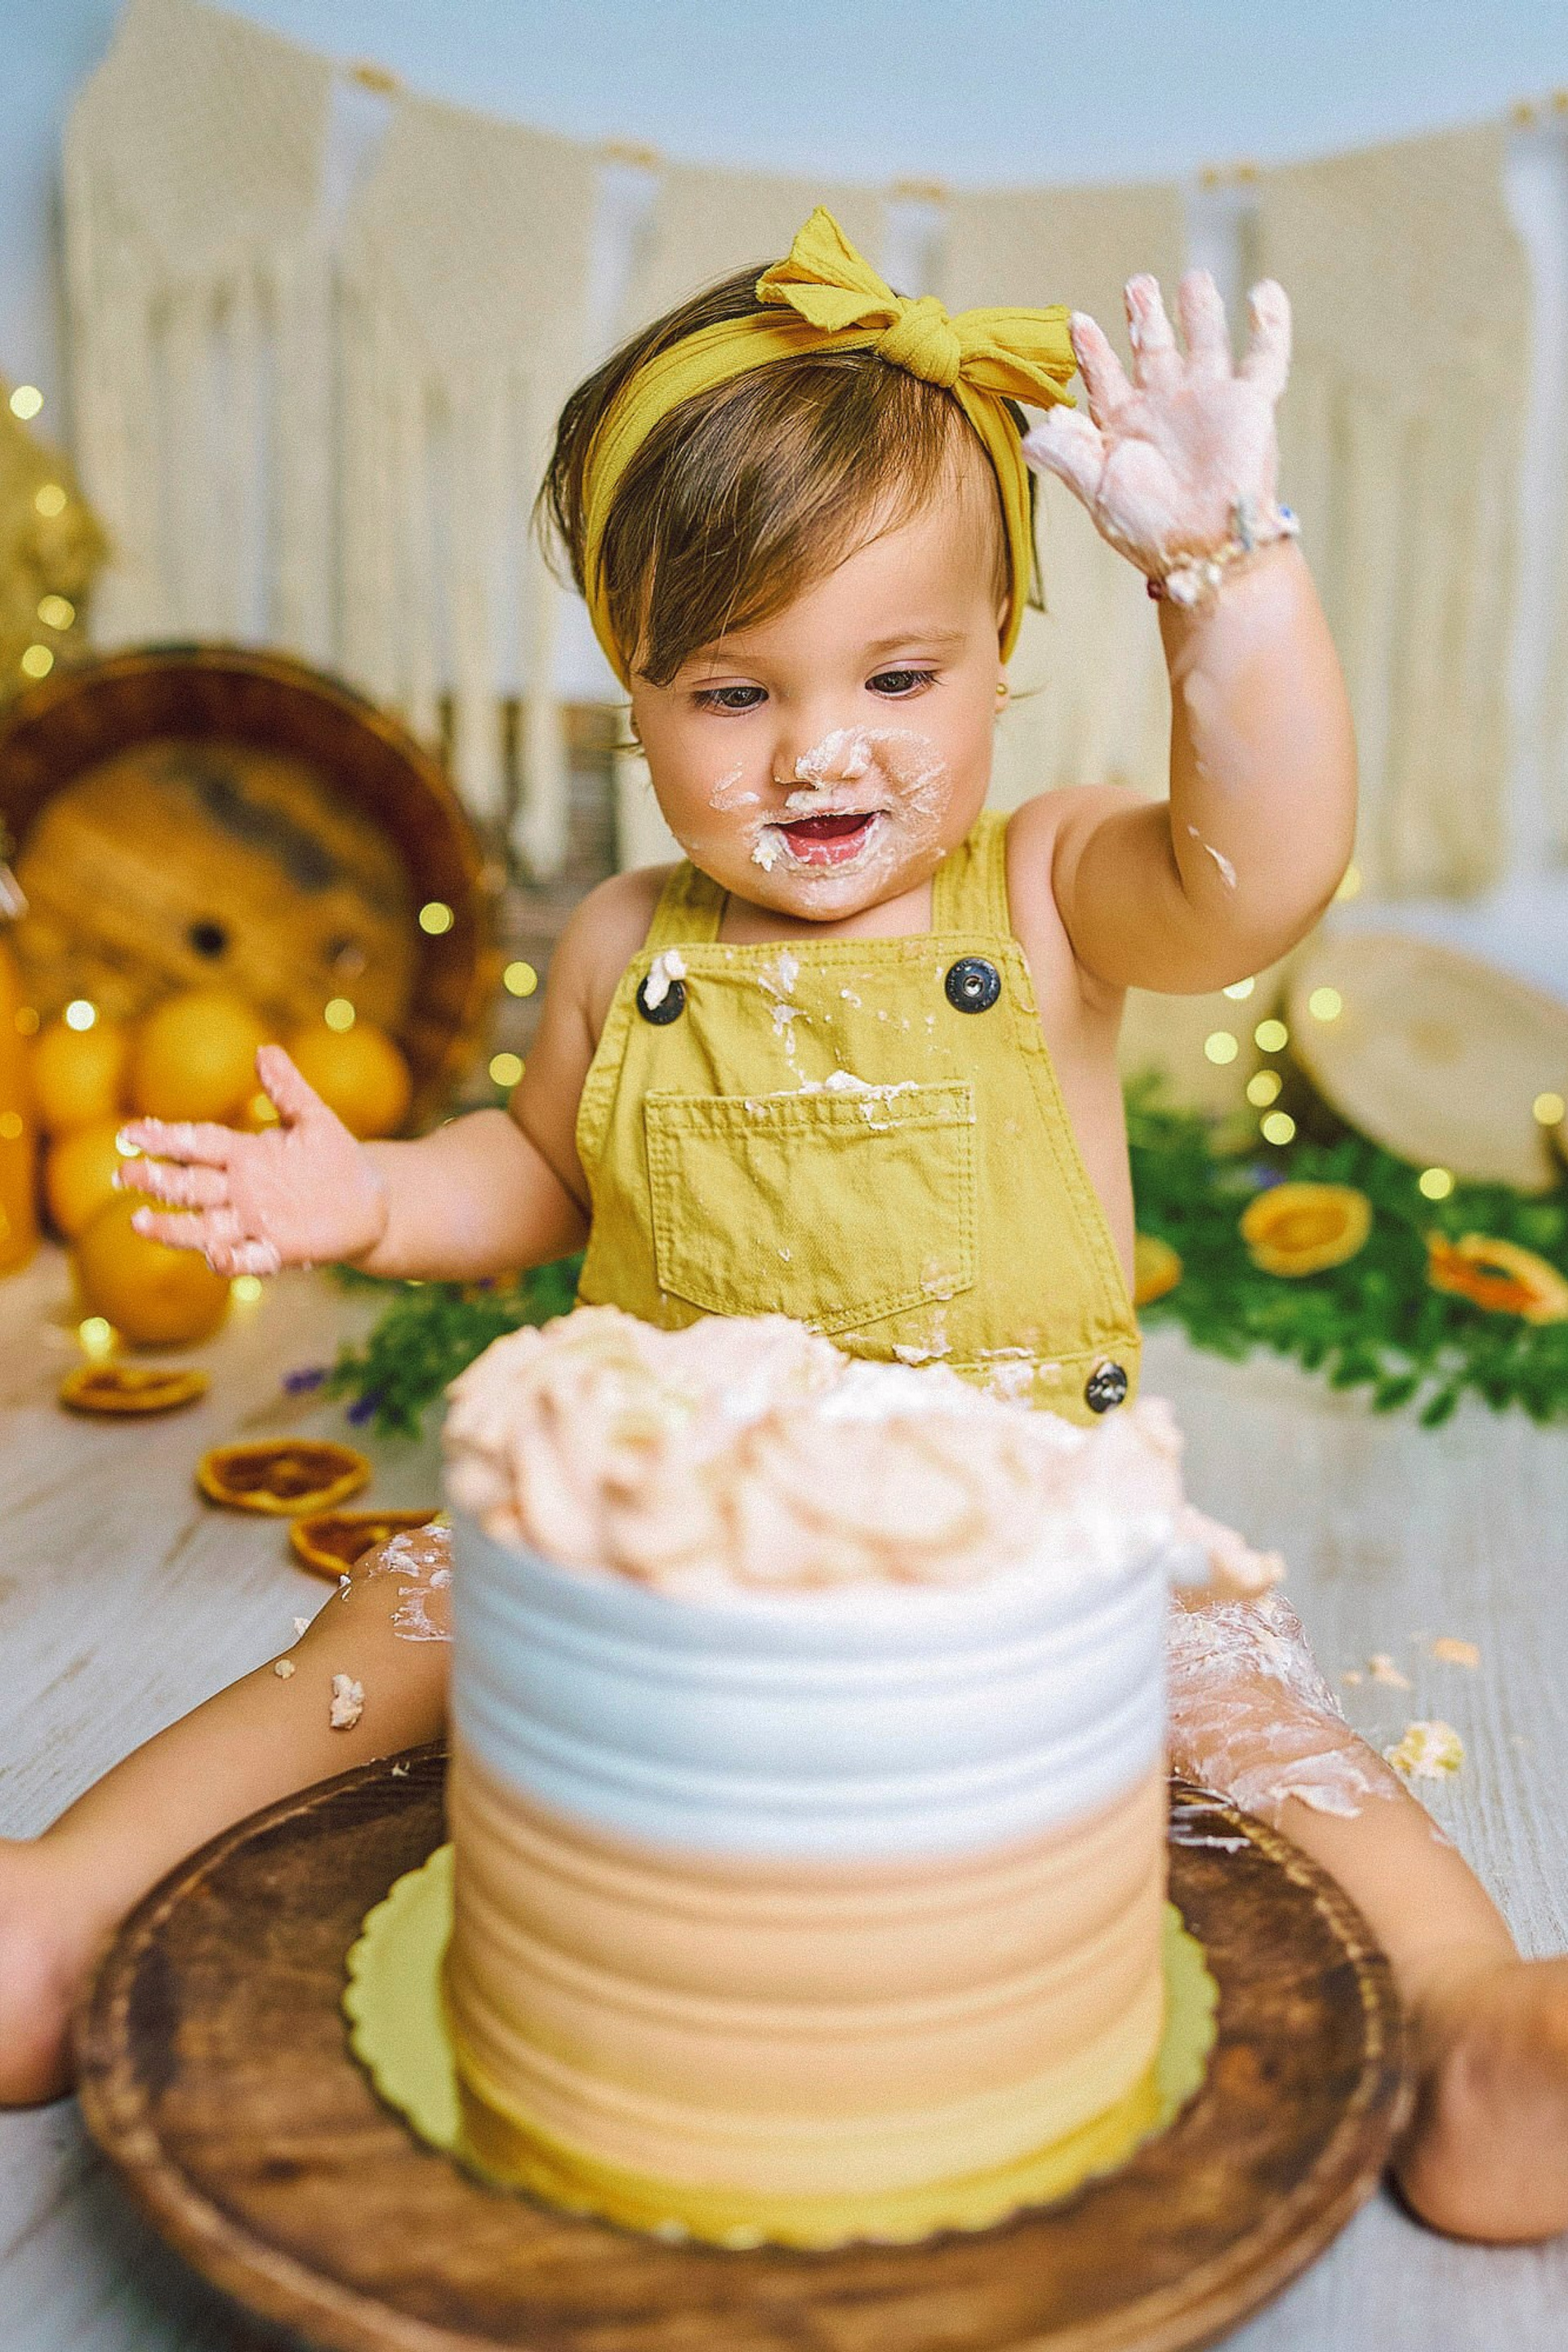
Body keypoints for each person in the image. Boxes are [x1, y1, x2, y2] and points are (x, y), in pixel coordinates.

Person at [3, 212, 1564, 2243]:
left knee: (1258, 1711)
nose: (824, 751)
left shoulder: (1066, 887)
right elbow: (545, 1172)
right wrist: (371, 1195)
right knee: (390, 1634)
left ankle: (1459, 2030)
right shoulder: (631, 940)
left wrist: (1220, 572)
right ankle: (63, 1901)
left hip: (1036, 1522)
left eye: (899, 674)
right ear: (631, 692)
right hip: (660, 1521)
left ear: (1007, 644)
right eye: (732, 691)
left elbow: (1265, 869)